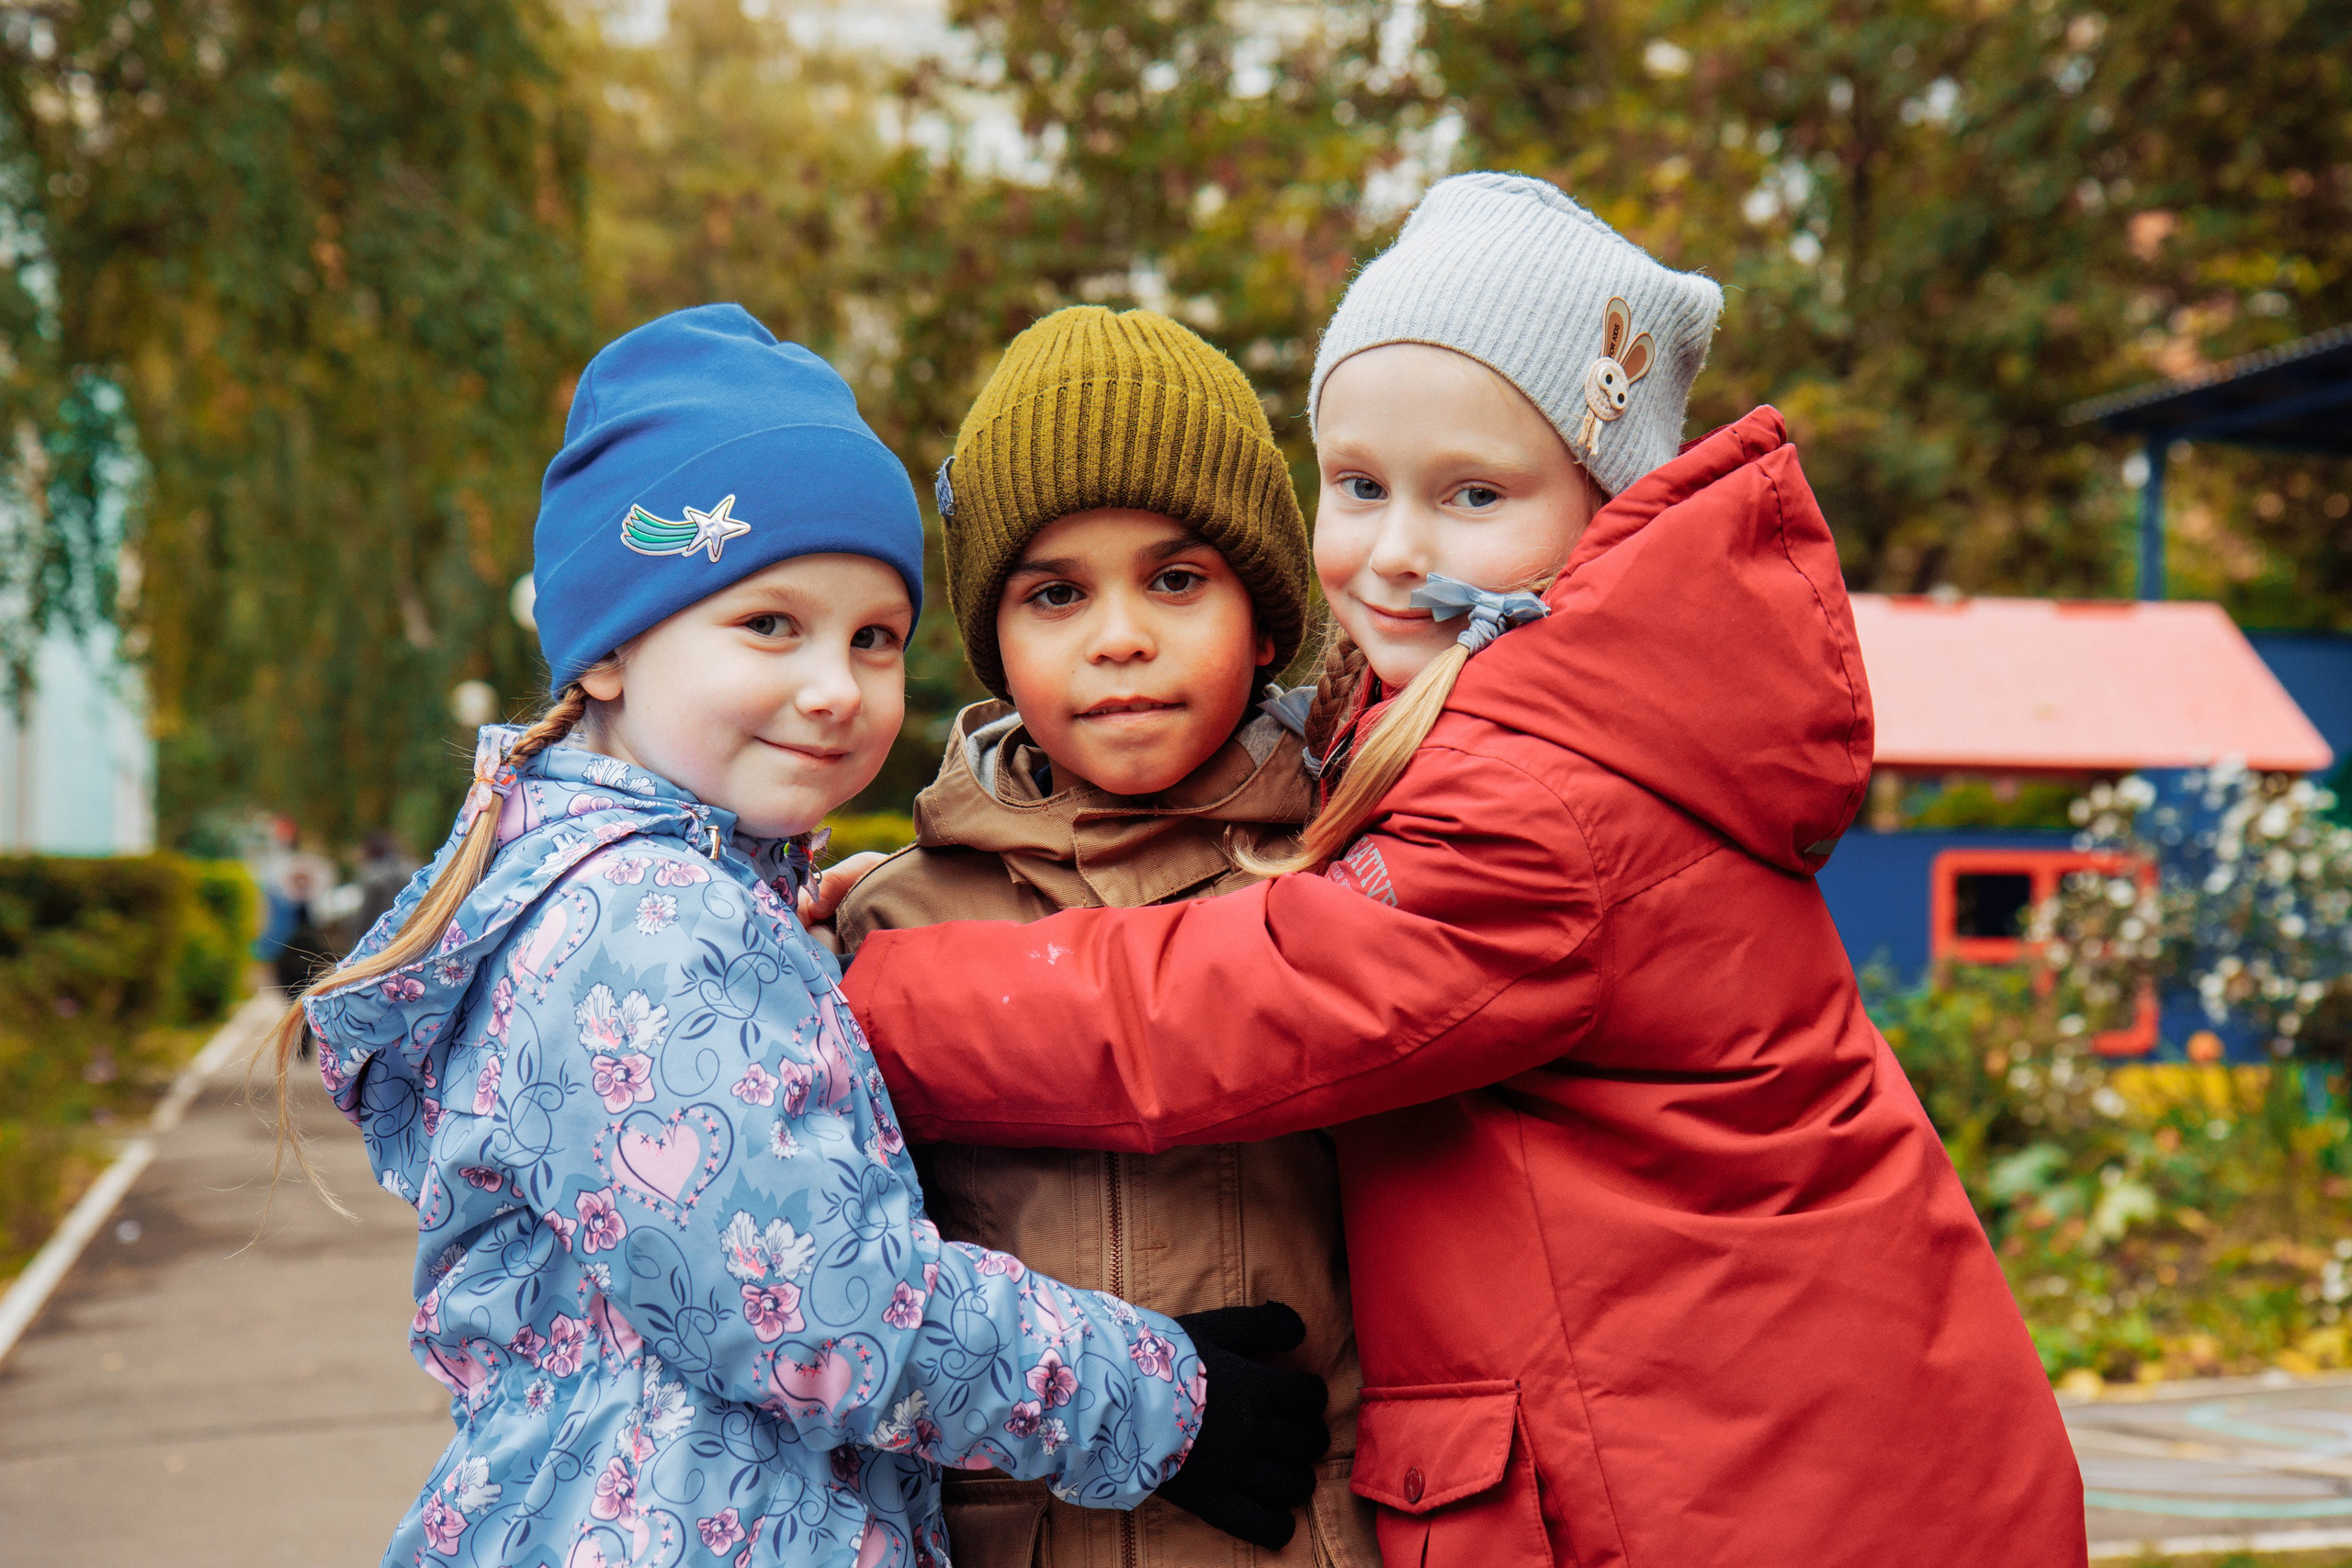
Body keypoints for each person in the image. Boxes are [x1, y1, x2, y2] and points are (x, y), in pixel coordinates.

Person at [827, 176, 2088, 1565]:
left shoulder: (1554, 796)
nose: (1399, 550)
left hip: (1769, 1483)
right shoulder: (1501, 727)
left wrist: (859, 994)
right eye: (1360, 486)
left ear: (1606, 505)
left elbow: (1223, 1005)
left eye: (1473, 494)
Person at [266, 304, 1328, 1568]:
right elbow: (819, 1308)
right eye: (770, 624)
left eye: (873, 638)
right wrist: (1160, 1401)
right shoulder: (643, 922)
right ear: (607, 652)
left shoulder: (683, 902)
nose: (833, 688)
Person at [830, 307, 1378, 1568]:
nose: (1119, 635)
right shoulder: (893, 922)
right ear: (995, 639)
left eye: (1176, 580)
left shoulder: (1349, 869)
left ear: (1264, 615)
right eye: (1056, 593)